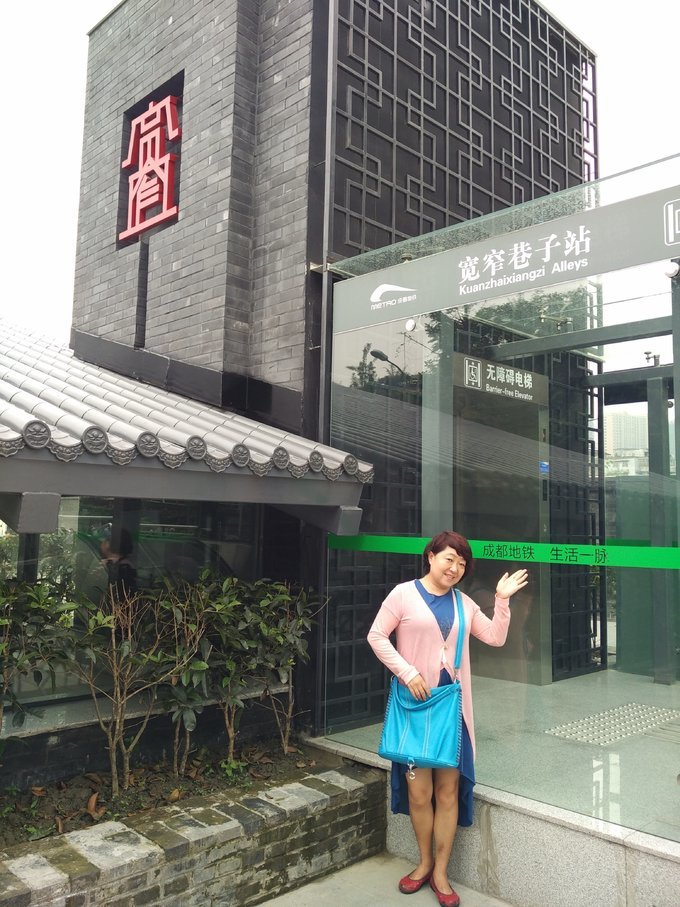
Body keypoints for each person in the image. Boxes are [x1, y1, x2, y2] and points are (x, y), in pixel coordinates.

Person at [367, 530, 528, 907]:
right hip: (414, 709)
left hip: (453, 714)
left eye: (462, 563)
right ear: (431, 556)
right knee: (419, 794)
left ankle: (441, 871)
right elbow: (376, 636)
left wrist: (502, 601)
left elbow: (495, 637)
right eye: (449, 558)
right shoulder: (402, 594)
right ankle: (423, 863)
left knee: (447, 792)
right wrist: (407, 672)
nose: (455, 567)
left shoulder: (464, 603)